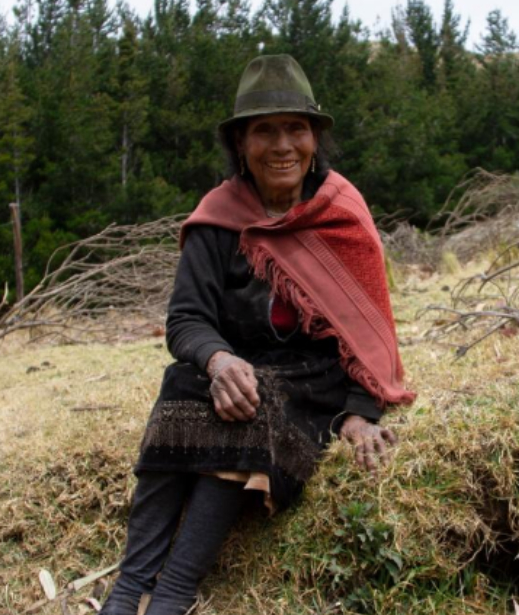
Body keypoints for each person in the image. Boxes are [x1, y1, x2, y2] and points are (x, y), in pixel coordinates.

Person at [100, 54, 415, 615]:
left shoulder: (341, 212)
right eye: (264, 131)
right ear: (241, 144)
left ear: (315, 138)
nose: (282, 145)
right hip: (237, 361)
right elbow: (185, 319)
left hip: (310, 378)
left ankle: (173, 593)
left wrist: (361, 410)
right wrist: (217, 361)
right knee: (182, 384)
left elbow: (372, 327)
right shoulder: (220, 214)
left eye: (296, 128)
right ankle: (128, 589)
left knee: (256, 404)